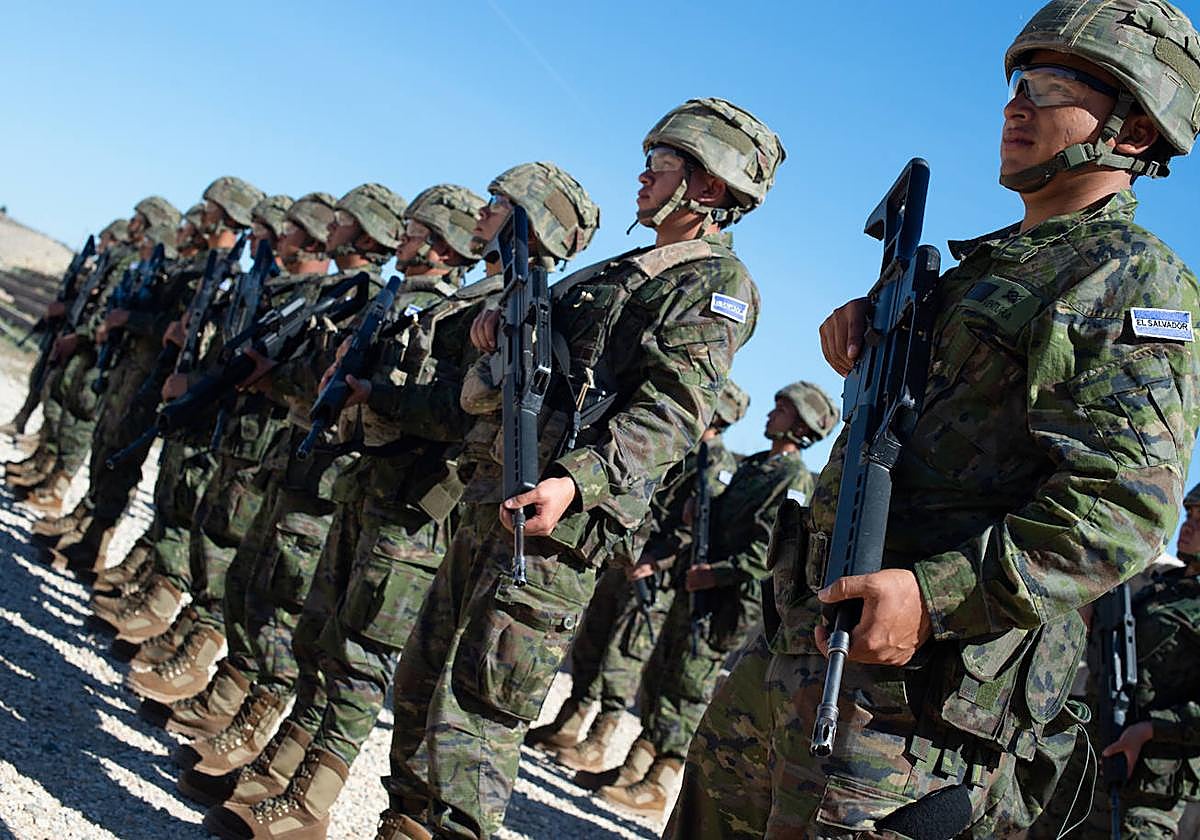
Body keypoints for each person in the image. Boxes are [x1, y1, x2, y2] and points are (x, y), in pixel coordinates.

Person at [669, 2, 1200, 837]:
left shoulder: (1129, 279)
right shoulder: (987, 266)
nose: (1015, 106)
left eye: (1050, 86)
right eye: (1016, 84)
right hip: (806, 639)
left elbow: (1122, 508)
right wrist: (874, 333)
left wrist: (932, 595)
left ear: (1134, 130)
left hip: (914, 696)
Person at [377, 97, 783, 840]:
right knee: (421, 684)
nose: (643, 177)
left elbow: (672, 413)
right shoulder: (621, 270)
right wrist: (493, 330)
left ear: (710, 185)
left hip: (557, 526)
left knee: (476, 715)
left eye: (661, 165)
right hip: (498, 494)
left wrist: (576, 480)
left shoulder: (712, 284)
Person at [599, 382, 836, 820]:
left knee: (690, 684)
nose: (771, 414)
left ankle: (661, 779)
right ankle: (636, 763)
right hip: (701, 587)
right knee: (665, 671)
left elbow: (767, 552)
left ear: (802, 426)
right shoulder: (756, 466)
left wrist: (715, 573)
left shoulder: (793, 480)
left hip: (728, 600)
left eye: (782, 410)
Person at [528, 381, 748, 767]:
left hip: (654, 574)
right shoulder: (682, 444)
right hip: (628, 552)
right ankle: (570, 721)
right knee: (593, 639)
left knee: (623, 655)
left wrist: (655, 562)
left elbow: (694, 528)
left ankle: (600, 740)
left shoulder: (717, 462)